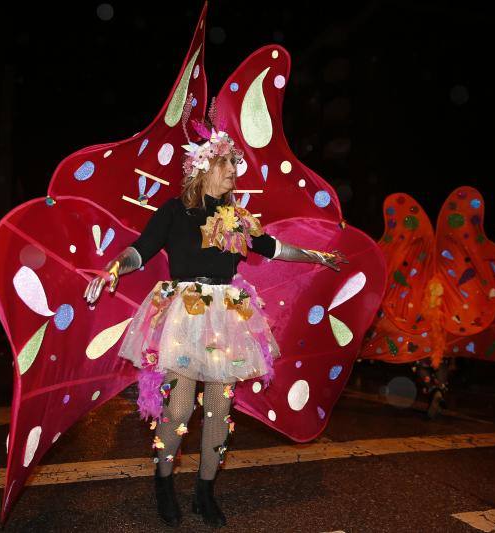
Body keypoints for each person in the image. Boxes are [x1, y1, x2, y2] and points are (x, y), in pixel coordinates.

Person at [84, 101, 347, 528]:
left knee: (219, 413)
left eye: (234, 166)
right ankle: (164, 482)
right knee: (179, 408)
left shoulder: (235, 217)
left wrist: (318, 255)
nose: (233, 172)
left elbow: (273, 248)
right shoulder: (174, 211)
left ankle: (205, 491)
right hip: (186, 314)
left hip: (226, 315)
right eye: (227, 164)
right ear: (204, 167)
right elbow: (141, 249)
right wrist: (114, 267)